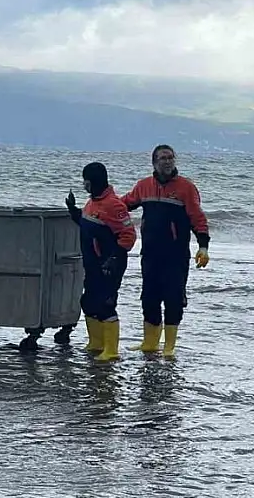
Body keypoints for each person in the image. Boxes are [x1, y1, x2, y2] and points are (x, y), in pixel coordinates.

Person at [120, 144, 209, 358]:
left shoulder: (186, 188)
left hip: (176, 255)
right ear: (154, 162)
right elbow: (123, 205)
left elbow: (197, 218)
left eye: (170, 157)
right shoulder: (144, 186)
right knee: (149, 298)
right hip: (150, 253)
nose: (167, 161)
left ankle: (169, 346)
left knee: (173, 299)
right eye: (162, 158)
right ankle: (149, 343)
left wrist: (203, 245)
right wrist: (96, 206)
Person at [65, 162, 137, 362]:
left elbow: (129, 234)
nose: (84, 185)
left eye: (85, 181)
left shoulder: (114, 205)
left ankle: (111, 350)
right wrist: (73, 211)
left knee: (106, 305)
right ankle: (96, 344)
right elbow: (87, 224)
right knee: (88, 302)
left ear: (92, 181)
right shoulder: (92, 202)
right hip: (93, 264)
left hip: (109, 264)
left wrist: (114, 257)